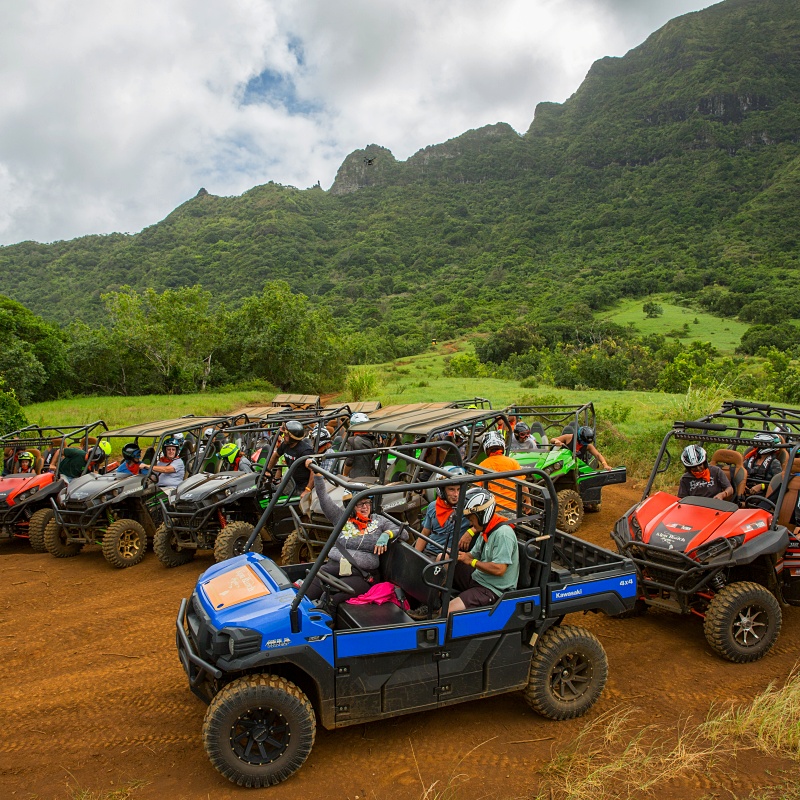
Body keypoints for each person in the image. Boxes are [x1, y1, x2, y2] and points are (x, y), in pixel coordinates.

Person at [306, 466, 407, 610]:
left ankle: (328, 628)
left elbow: (403, 533)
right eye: (359, 504)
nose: (365, 507)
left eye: (367, 503)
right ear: (350, 506)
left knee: (331, 599)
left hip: (362, 575)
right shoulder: (341, 517)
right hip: (334, 566)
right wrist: (317, 476)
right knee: (307, 594)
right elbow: (324, 499)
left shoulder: (379, 520)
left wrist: (386, 534)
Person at [448, 487, 519, 613]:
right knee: (443, 559)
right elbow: (471, 555)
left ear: (482, 515)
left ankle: (439, 618)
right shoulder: (486, 530)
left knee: (449, 610)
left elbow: (499, 569)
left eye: (471, 519)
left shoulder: (503, 534)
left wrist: (472, 562)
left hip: (493, 589)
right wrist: (455, 555)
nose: (470, 524)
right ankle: (433, 603)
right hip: (479, 578)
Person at [415, 466, 471, 556]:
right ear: (442, 490)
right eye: (451, 489)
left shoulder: (468, 507)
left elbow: (483, 523)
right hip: (429, 552)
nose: (456, 494)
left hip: (449, 556)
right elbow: (425, 533)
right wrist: (414, 555)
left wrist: (471, 532)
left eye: (459, 489)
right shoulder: (433, 506)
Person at [477, 430, 524, 515]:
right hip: (511, 509)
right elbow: (523, 485)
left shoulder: (481, 466)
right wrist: (527, 502)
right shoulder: (513, 462)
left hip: (491, 510)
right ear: (502, 445)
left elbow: (477, 490)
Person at [269, 420, 314, 494]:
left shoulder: (305, 451)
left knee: (273, 499)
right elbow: (275, 455)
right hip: (292, 483)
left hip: (302, 488)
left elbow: (314, 471)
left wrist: (307, 490)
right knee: (268, 493)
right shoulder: (285, 444)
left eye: (285, 435)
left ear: (292, 437)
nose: (283, 436)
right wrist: (268, 471)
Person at [343, 412, 377, 478]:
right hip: (370, 477)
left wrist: (344, 474)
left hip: (356, 479)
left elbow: (349, 462)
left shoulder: (352, 440)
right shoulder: (371, 441)